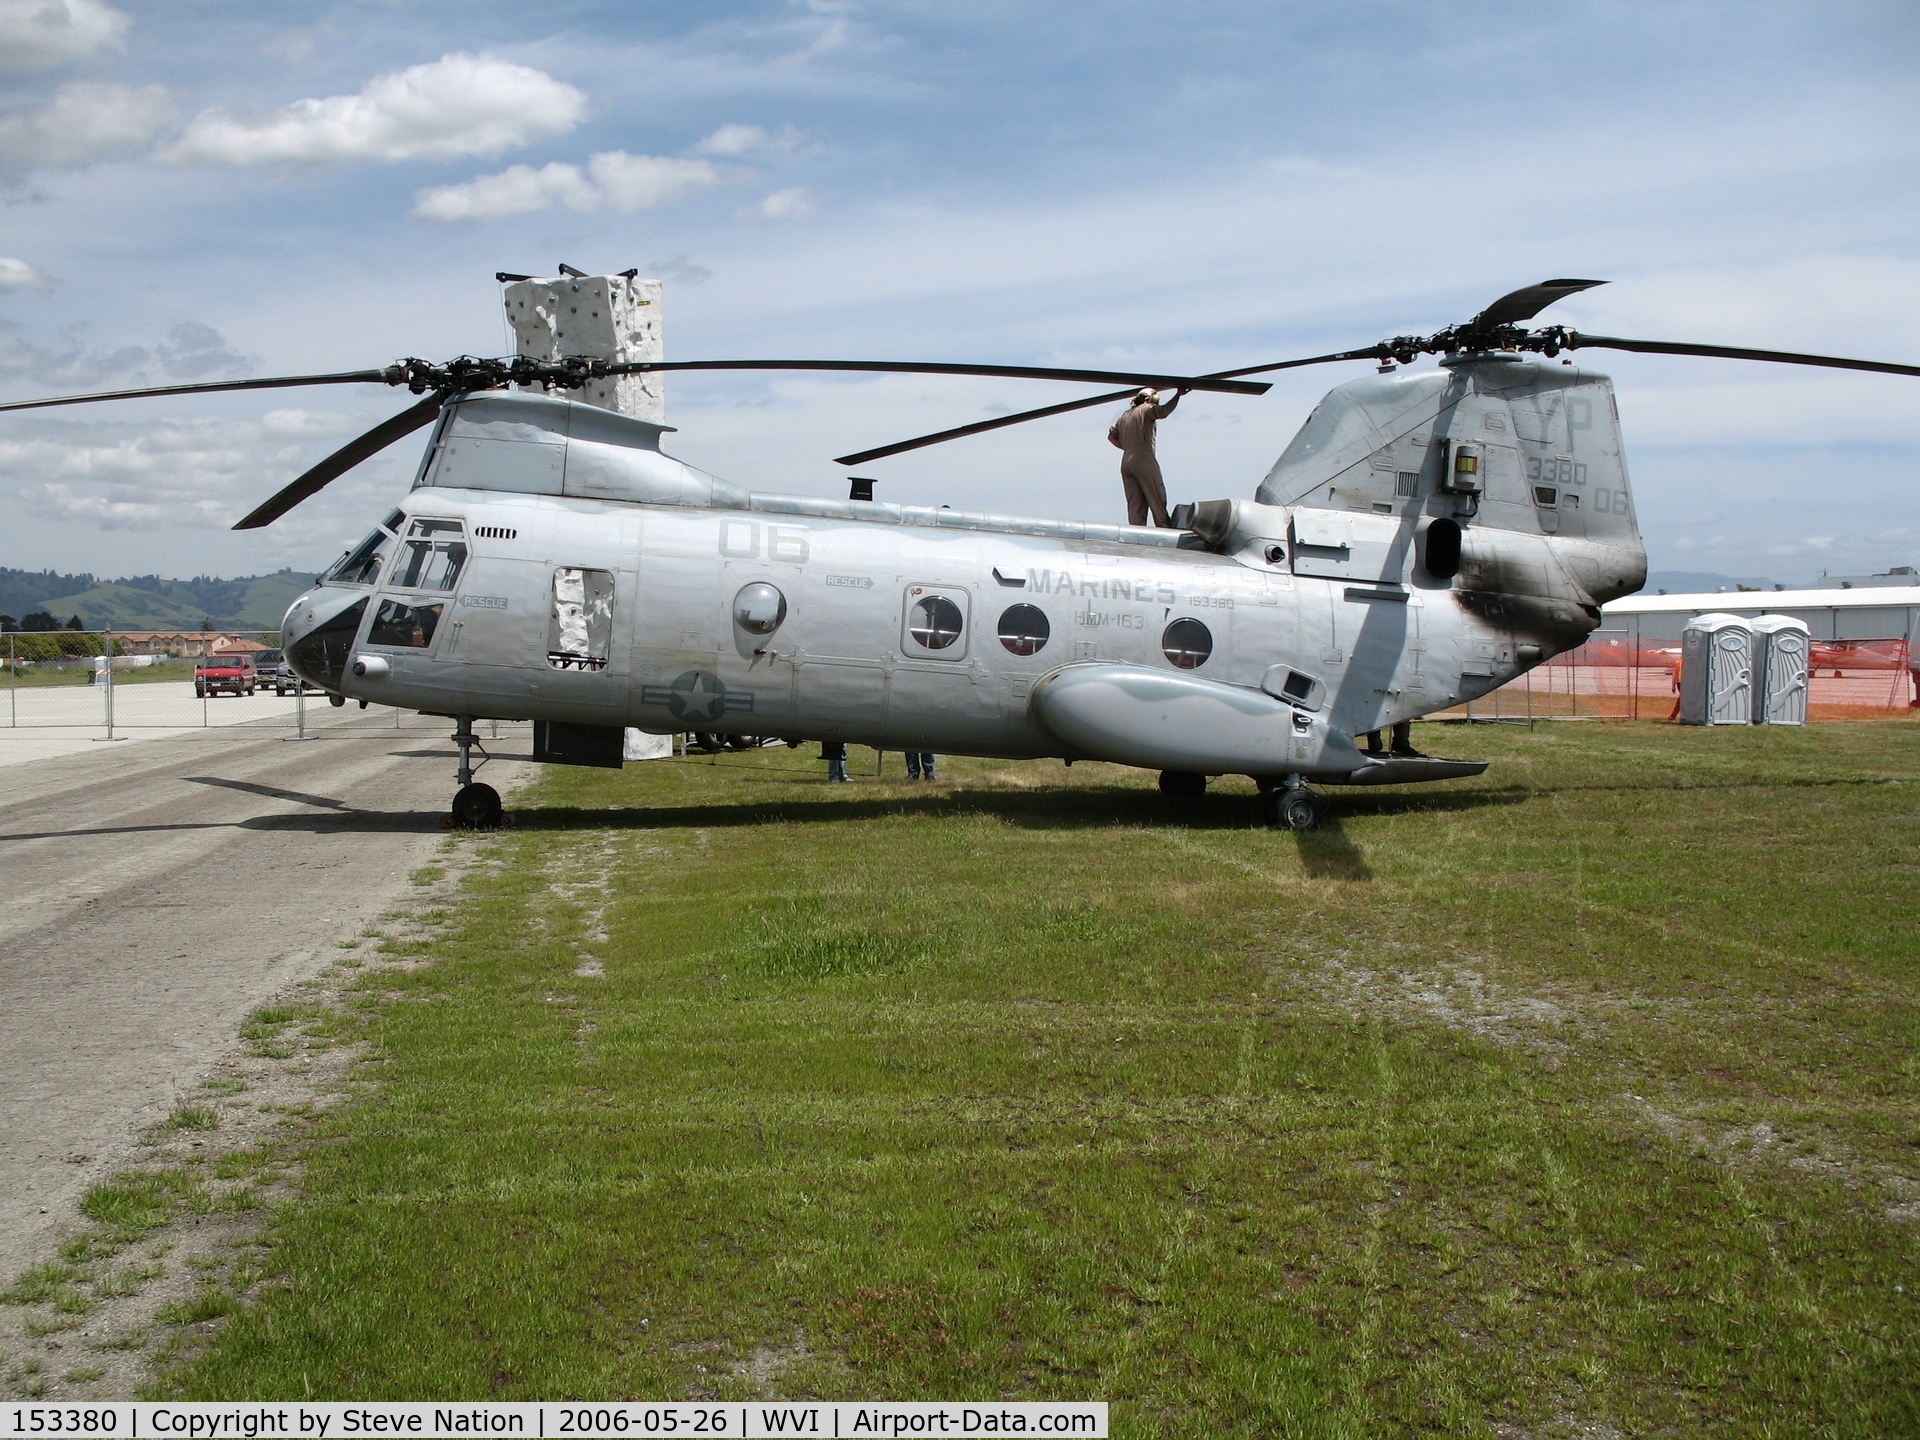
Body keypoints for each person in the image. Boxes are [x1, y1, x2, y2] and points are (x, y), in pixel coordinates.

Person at [1108, 387, 1187, 528]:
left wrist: (1128, 448)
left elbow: (1111, 437)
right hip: (1143, 458)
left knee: (1135, 504)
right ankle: (1164, 529)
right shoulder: (1146, 409)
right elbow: (1164, 411)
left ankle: (1136, 534)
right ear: (1149, 399)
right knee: (1156, 497)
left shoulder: (1124, 416)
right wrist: (1178, 395)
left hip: (1126, 461)